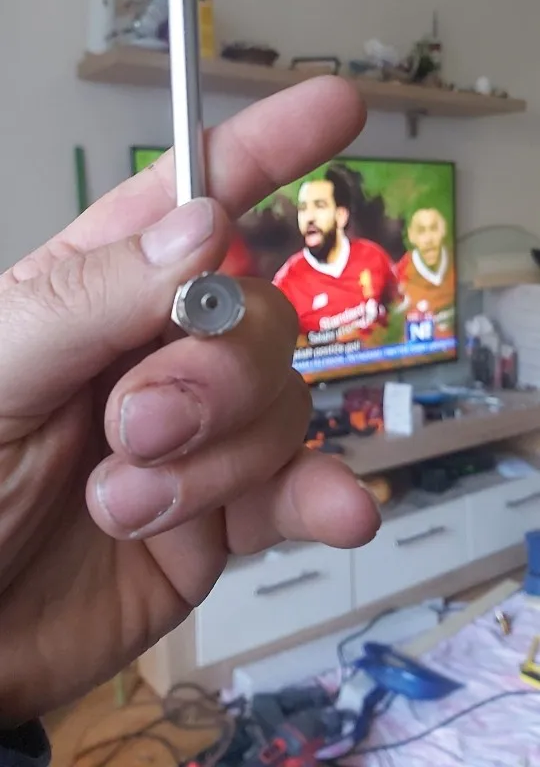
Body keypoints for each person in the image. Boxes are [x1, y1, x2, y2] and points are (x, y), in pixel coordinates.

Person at [0, 78, 381, 766]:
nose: (311, 218)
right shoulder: (288, 274)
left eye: (324, 206)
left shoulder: (374, 267)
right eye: (305, 208)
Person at [272, 164, 399, 342]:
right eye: (303, 208)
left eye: (319, 206)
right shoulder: (286, 285)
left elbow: (401, 309)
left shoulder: (373, 256)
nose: (309, 218)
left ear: (341, 216)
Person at [396, 205, 455, 336]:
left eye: (434, 228)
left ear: (444, 229)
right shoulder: (398, 276)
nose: (428, 239)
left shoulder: (461, 263)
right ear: (411, 235)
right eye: (421, 231)